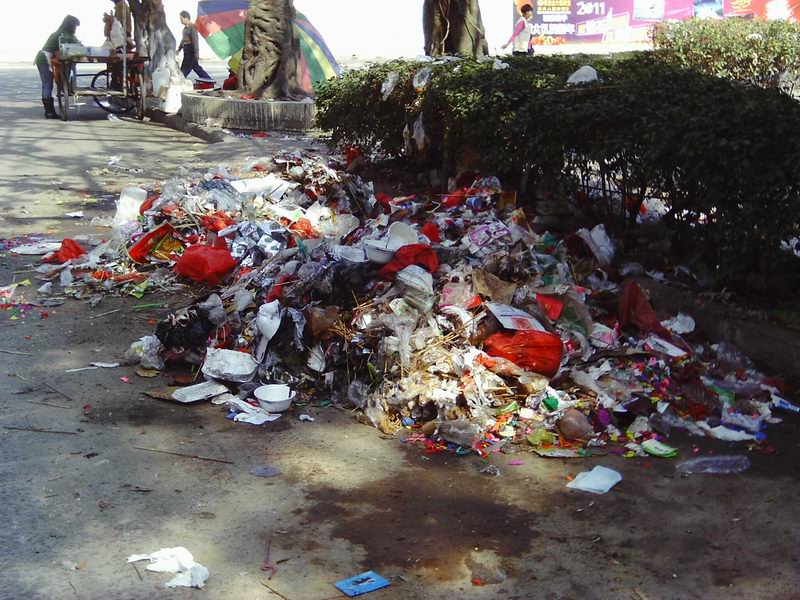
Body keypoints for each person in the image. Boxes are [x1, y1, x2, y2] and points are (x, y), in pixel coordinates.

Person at [35, 15, 81, 119]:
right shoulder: (64, 34)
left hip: (42, 58)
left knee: (47, 84)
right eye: (75, 26)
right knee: (47, 85)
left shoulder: (59, 32)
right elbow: (77, 45)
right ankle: (49, 112)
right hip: (44, 59)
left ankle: (49, 111)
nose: (75, 28)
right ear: (70, 25)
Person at [178, 10, 212, 80]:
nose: (180, 21)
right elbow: (183, 40)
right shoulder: (185, 29)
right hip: (186, 50)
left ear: (186, 18)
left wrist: (196, 54)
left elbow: (195, 41)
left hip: (191, 50)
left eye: (181, 19)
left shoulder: (192, 27)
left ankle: (180, 80)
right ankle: (208, 79)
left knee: (185, 69)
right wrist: (179, 49)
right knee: (196, 68)